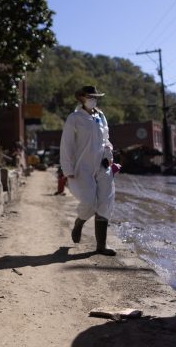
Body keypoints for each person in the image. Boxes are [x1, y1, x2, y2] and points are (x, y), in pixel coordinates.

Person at [60, 85, 116, 255]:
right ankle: (79, 223)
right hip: (82, 166)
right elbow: (67, 144)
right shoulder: (74, 118)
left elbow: (106, 139)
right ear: (81, 98)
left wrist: (108, 154)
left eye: (95, 96)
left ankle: (101, 246)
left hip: (102, 165)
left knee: (106, 201)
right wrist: (67, 168)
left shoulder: (101, 116)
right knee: (89, 202)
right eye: (90, 96)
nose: (93, 99)